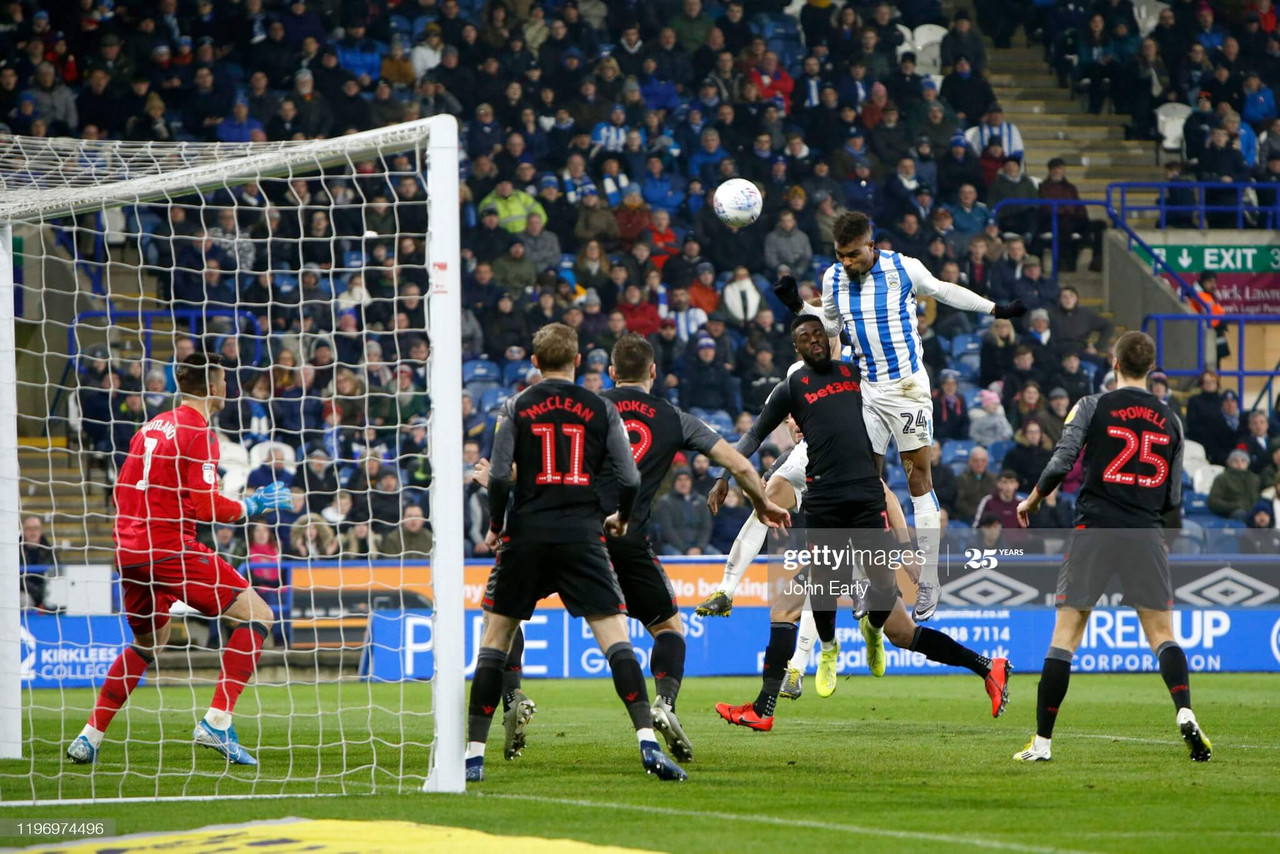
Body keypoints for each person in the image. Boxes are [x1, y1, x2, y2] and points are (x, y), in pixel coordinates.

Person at [709, 315, 1011, 730]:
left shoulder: (857, 376)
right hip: (832, 517)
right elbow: (752, 436)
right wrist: (724, 476)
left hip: (864, 510)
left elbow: (888, 492)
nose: (814, 341)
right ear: (796, 349)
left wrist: (906, 551)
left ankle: (984, 666)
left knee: (885, 627)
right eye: (804, 337)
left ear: (830, 340)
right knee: (810, 614)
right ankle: (771, 702)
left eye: (819, 334)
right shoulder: (792, 394)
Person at [776, 210, 1028, 621]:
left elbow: (944, 290)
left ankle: (928, 577)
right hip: (867, 391)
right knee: (862, 484)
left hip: (908, 389)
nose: (846, 263)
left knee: (917, 479)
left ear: (871, 245)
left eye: (853, 255)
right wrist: (797, 305)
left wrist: (995, 309)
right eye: (840, 255)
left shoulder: (902, 268)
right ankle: (862, 579)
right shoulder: (834, 278)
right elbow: (829, 323)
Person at [467, 323, 685, 782]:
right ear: (580, 361)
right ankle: (647, 744)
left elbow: (502, 476)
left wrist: (494, 524)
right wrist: (623, 517)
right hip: (583, 536)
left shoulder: (515, 407)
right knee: (615, 639)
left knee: (495, 637)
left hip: (525, 534)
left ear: (533, 361)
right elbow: (629, 479)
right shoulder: (600, 408)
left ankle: (472, 757)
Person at [66, 354, 292, 767]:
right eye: (224, 378)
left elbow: (127, 486)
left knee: (149, 643)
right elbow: (207, 508)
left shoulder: (149, 427)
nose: (227, 386)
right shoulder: (198, 431)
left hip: (129, 552)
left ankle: (89, 736)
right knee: (259, 616)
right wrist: (250, 506)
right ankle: (217, 721)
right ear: (213, 385)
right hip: (170, 547)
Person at [1014, 331, 1210, 763]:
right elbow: (1175, 499)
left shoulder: (1092, 405)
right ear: (1151, 368)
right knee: (1162, 635)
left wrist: (1032, 498)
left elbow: (1063, 460)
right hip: (1146, 532)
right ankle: (1184, 711)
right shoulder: (1171, 420)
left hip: (1096, 529)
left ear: (1114, 363)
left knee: (1065, 636)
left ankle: (1042, 744)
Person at [588, 334, 788, 758]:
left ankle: (505, 701)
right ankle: (666, 701)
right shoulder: (674, 417)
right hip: (631, 541)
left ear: (611, 373)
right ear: (654, 373)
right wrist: (762, 503)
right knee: (667, 629)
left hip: (582, 540)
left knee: (508, 618)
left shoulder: (590, 409)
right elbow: (737, 463)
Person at [1208, 450, 1262, 521]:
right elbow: (1213, 501)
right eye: (1235, 461)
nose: (1239, 464)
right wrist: (1234, 506)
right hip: (1231, 512)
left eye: (1243, 461)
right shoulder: (1222, 478)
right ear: (1229, 463)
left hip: (1253, 511)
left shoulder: (1254, 479)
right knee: (1241, 514)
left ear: (1248, 463)